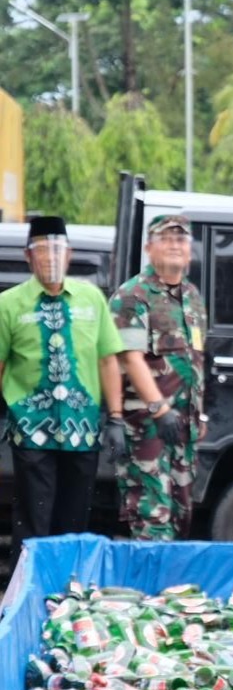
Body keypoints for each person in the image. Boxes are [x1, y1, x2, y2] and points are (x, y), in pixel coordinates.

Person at [0, 216, 125, 569]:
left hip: (82, 431)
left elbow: (107, 361)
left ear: (69, 255)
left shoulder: (91, 299)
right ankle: (27, 596)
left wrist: (115, 417)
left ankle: (70, 594)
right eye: (42, 251)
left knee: (74, 522)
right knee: (33, 520)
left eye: (57, 251)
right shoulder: (8, 304)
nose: (50, 259)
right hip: (31, 432)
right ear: (28, 257)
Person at [109, 215, 207, 541]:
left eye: (181, 239)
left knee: (182, 515)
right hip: (148, 426)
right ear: (150, 248)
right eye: (166, 238)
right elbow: (130, 357)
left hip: (184, 425)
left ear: (190, 250)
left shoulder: (192, 296)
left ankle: (173, 591)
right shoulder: (133, 295)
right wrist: (159, 408)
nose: (175, 245)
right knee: (152, 517)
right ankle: (150, 591)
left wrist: (198, 413)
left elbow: (194, 358)